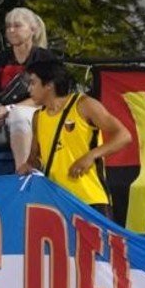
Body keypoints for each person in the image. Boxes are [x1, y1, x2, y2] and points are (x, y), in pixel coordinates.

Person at [21, 57, 132, 216]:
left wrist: (91, 156)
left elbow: (124, 135)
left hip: (90, 199)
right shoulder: (38, 117)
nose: (29, 89)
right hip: (57, 203)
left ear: (49, 85)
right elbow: (35, 158)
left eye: (33, 83)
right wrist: (28, 165)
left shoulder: (83, 104)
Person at [0, 8, 57, 179]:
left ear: (32, 29)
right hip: (4, 118)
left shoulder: (44, 58)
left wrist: (9, 109)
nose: (11, 30)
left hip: (34, 117)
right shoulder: (0, 59)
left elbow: (46, 97)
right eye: (8, 26)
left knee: (18, 114)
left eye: (17, 26)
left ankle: (23, 174)